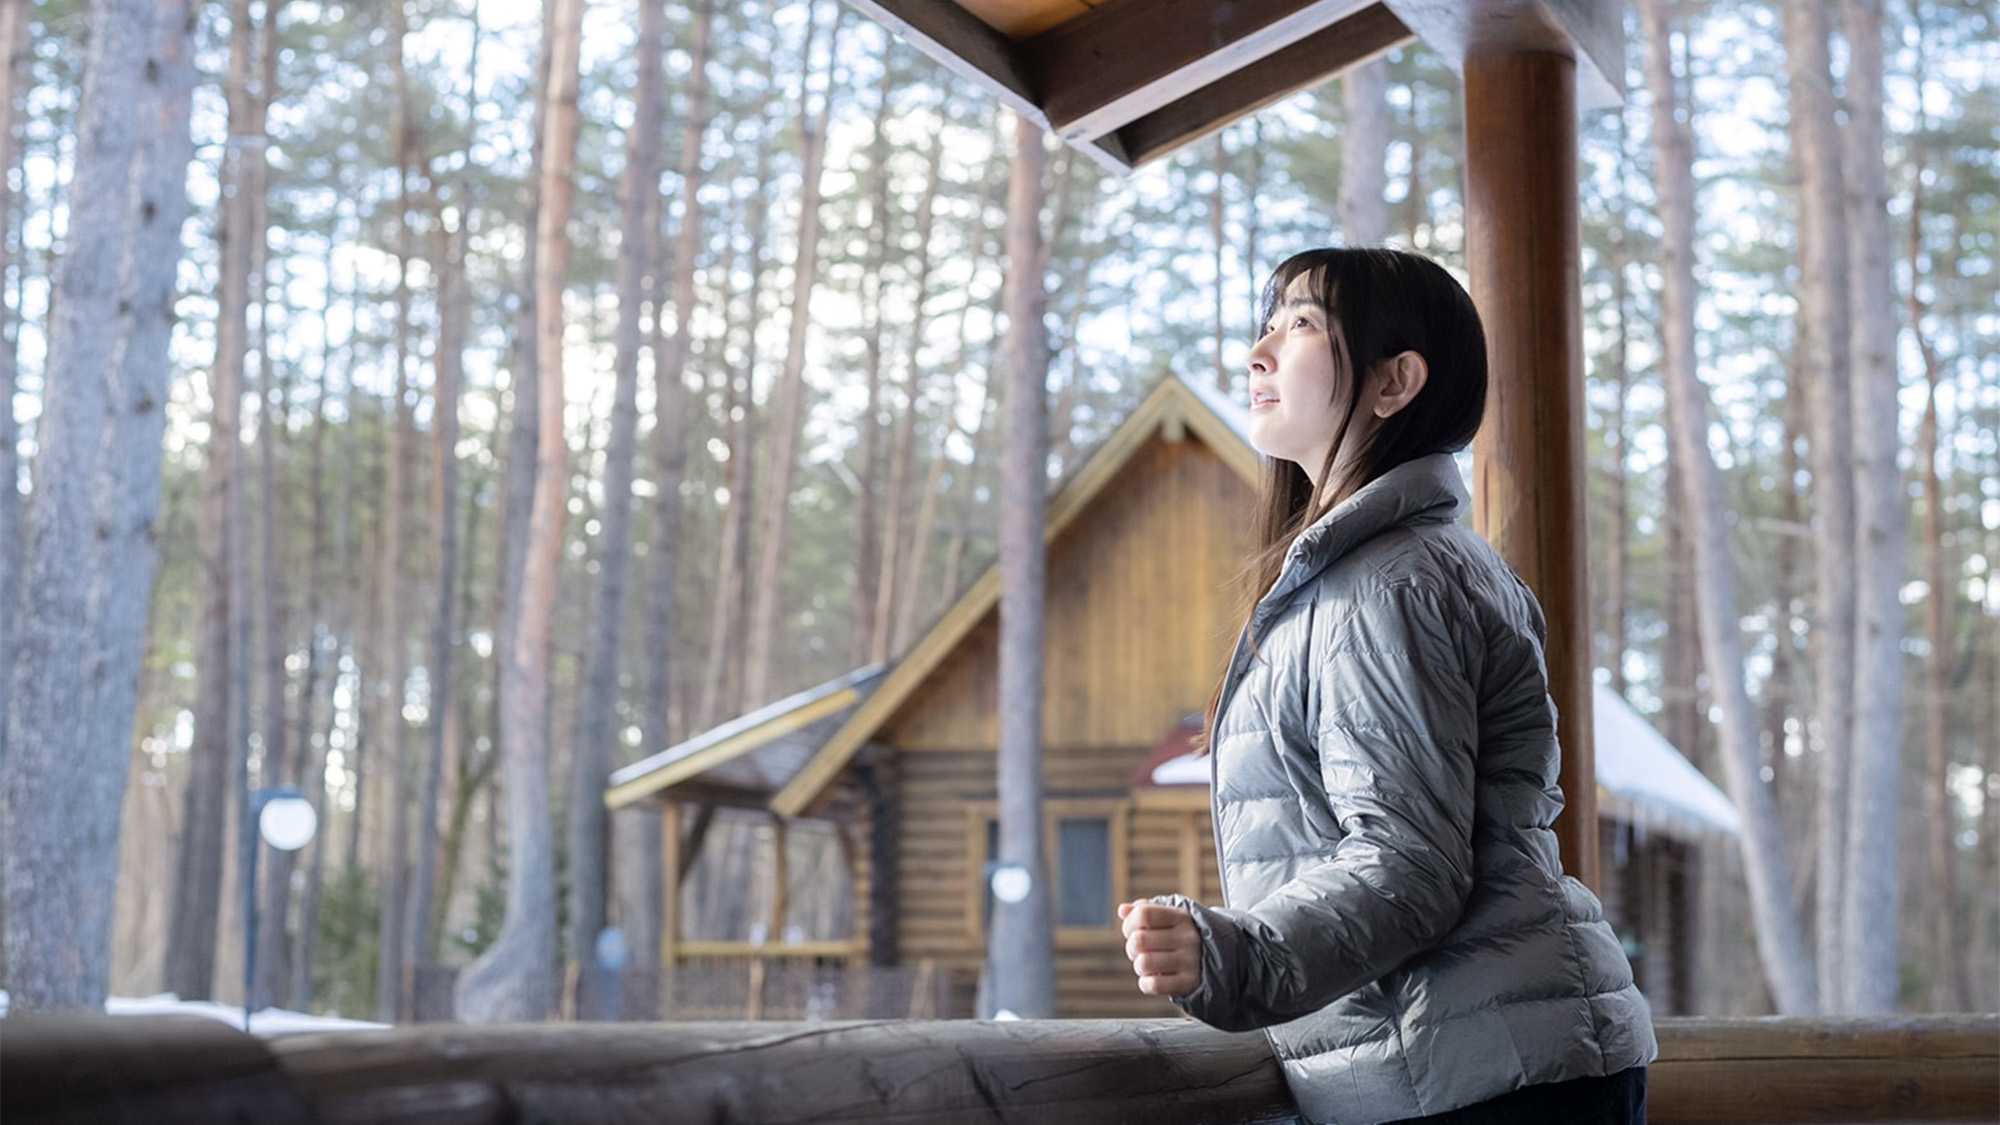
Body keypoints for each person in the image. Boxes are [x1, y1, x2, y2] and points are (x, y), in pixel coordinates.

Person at [1119, 247, 1655, 1125]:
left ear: (1394, 381)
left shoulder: (1388, 583)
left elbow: (1409, 861)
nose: (1258, 352)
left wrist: (1238, 955)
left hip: (1478, 1076)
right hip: (1477, 1063)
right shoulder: (1371, 573)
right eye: (1267, 325)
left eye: (1299, 326)